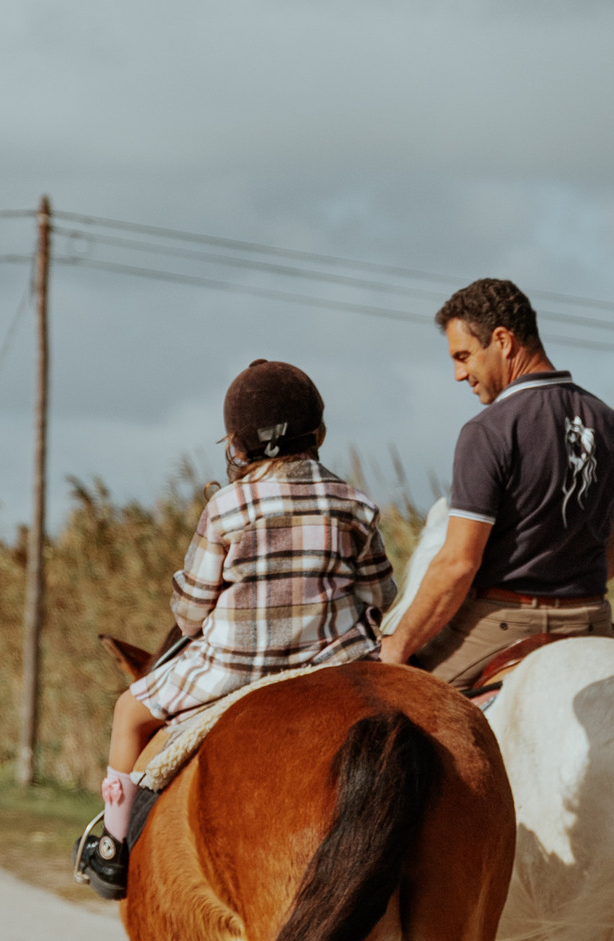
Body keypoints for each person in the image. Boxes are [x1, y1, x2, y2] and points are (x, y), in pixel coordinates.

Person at [74, 357, 394, 900]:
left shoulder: (227, 506)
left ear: (236, 446)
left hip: (234, 669)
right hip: (337, 665)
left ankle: (112, 847)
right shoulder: (356, 505)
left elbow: (192, 612)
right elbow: (380, 597)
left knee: (128, 712)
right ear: (318, 433)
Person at [377, 277, 614, 690]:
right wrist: (566, 592)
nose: (458, 373)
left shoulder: (488, 432)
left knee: (398, 706)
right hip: (592, 623)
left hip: (500, 626)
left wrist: (395, 648)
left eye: (463, 356)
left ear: (502, 340)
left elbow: (458, 563)